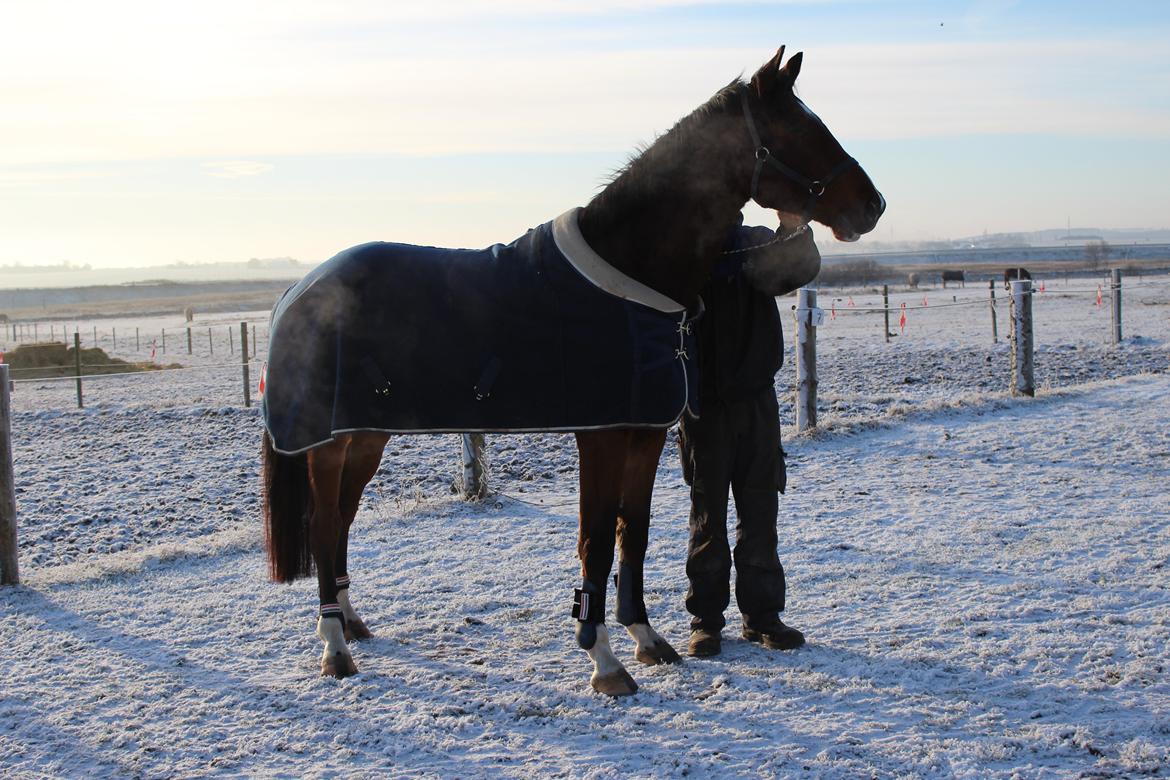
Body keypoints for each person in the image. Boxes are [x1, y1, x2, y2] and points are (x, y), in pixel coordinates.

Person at [679, 217, 821, 657]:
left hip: (757, 401)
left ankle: (762, 617)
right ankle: (705, 620)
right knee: (708, 513)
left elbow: (796, 271)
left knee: (761, 509)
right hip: (704, 406)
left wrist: (794, 227)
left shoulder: (756, 244)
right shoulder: (688, 245)